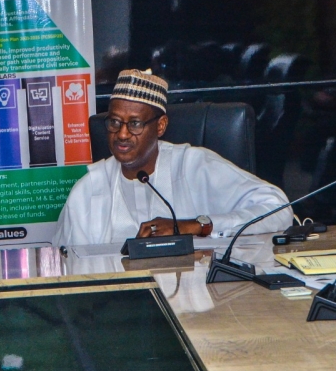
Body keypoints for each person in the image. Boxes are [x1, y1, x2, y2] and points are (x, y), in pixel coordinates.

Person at [52, 70, 292, 247]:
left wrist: (196, 225)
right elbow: (66, 267)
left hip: (197, 302)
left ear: (160, 126)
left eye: (135, 123)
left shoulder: (194, 165)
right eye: (115, 122)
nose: (122, 134)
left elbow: (278, 209)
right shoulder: (88, 190)